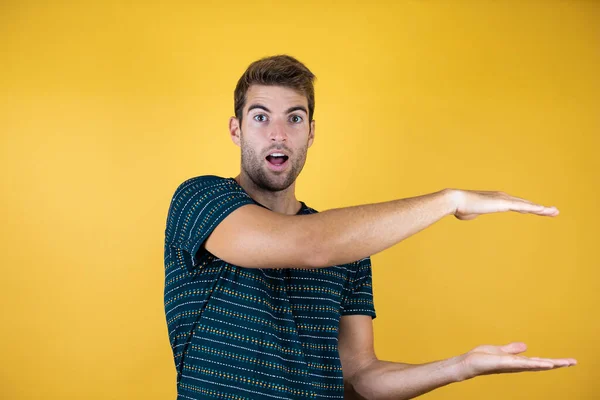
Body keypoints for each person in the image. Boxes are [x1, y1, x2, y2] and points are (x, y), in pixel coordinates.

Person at [163, 54, 576, 400]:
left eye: (294, 118)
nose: (277, 134)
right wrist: (451, 200)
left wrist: (461, 367)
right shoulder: (199, 198)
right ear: (236, 130)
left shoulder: (350, 245)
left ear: (311, 133)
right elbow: (309, 245)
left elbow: (360, 375)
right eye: (259, 117)